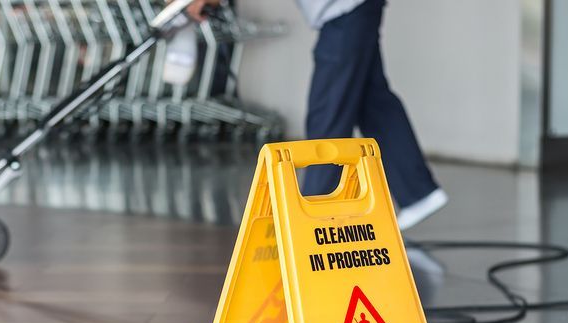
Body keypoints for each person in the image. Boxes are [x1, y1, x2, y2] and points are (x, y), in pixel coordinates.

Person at [184, 0, 448, 230]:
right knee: (373, 103)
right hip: (351, 9)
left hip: (345, 10)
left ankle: (313, 217)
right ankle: (419, 192)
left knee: (327, 114)